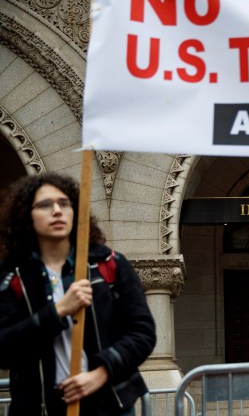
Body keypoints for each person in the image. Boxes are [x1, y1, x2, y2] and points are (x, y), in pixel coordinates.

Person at [0, 173, 157, 416]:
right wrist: (58, 311)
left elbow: (143, 333)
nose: (57, 211)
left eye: (64, 203)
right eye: (44, 204)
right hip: (39, 407)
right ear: (26, 215)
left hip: (108, 405)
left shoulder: (109, 264)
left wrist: (101, 373)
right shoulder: (13, 277)